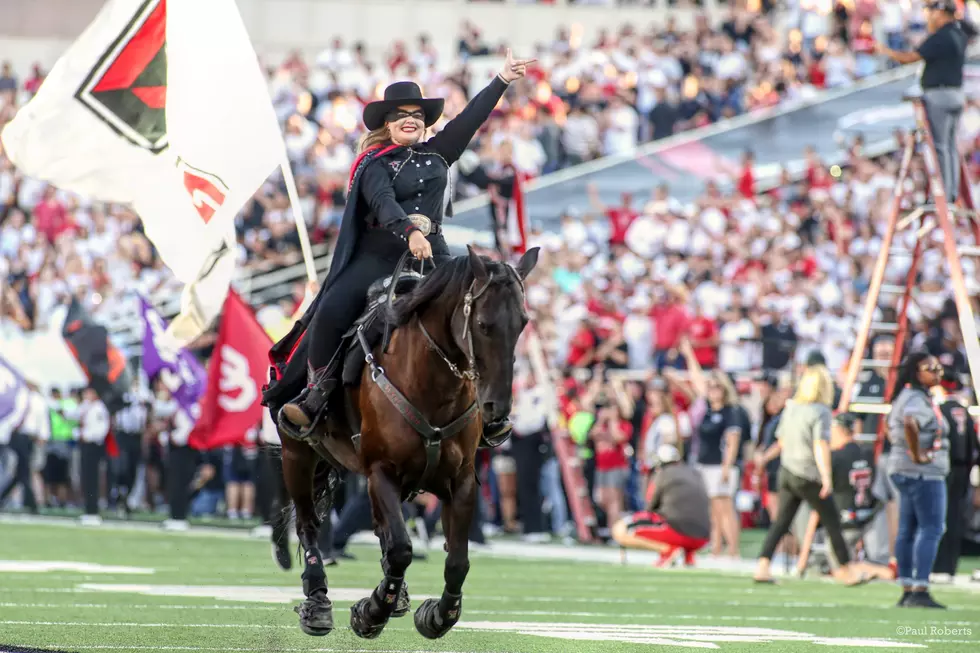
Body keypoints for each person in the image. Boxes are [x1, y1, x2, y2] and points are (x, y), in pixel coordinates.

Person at [271, 50, 535, 446]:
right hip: (376, 255)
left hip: (434, 254)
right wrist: (410, 231)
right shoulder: (373, 162)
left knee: (477, 314)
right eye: (400, 114)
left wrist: (501, 78)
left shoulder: (439, 153)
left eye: (416, 113)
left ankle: (482, 407)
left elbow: (470, 119)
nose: (409, 119)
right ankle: (316, 394)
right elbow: (383, 202)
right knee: (329, 312)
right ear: (388, 124)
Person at [752, 365, 868, 585]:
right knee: (832, 520)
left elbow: (782, 442)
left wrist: (765, 459)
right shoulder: (820, 411)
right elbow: (820, 444)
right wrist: (826, 476)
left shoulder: (792, 407)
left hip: (787, 471)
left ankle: (763, 564)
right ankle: (844, 569)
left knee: (781, 521)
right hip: (807, 473)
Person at [875, 1, 976, 202]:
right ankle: (952, 191)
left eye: (932, 12)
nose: (929, 17)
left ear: (941, 13)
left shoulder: (942, 36)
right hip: (956, 94)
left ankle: (946, 195)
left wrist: (885, 51)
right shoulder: (958, 34)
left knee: (940, 146)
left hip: (939, 95)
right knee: (949, 145)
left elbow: (911, 57)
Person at [795, 413, 896, 582]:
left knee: (838, 569)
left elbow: (820, 505)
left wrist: (803, 558)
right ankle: (875, 567)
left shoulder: (835, 458)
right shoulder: (867, 454)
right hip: (868, 517)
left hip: (844, 521)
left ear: (840, 430)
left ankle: (869, 569)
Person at [887, 352, 950, 608]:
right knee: (931, 528)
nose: (938, 372)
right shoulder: (914, 397)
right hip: (923, 472)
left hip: (905, 469)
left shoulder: (912, 394)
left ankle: (907, 587)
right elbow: (910, 422)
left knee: (908, 530)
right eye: (930, 368)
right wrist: (917, 454)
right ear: (915, 371)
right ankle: (920, 588)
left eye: (938, 368)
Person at [611, 444, 710, 566]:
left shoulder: (662, 475)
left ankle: (667, 549)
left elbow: (650, 507)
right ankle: (688, 556)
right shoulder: (695, 473)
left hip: (678, 532)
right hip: (703, 537)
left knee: (620, 529)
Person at [933, 377, 977, 581]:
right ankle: (950, 565)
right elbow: (973, 446)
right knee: (955, 517)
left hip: (945, 469)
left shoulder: (940, 410)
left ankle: (939, 565)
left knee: (938, 518)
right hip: (962, 471)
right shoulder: (964, 411)